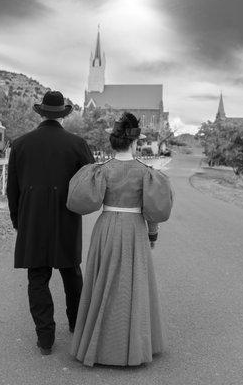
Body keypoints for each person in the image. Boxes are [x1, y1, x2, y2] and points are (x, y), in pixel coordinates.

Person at [67, 112, 173, 366]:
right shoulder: (146, 173)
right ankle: (131, 346)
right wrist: (152, 234)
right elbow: (153, 211)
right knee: (131, 285)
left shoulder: (100, 171)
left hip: (105, 228)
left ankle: (97, 344)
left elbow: (81, 202)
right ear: (135, 143)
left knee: (102, 281)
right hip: (134, 228)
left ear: (113, 142)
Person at [6, 90, 94, 355]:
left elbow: (12, 190)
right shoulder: (77, 144)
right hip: (66, 217)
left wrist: (17, 220)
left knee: (37, 277)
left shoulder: (20, 144)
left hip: (32, 219)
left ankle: (45, 338)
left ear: (41, 113)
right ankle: (77, 326)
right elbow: (90, 183)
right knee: (71, 273)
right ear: (63, 116)